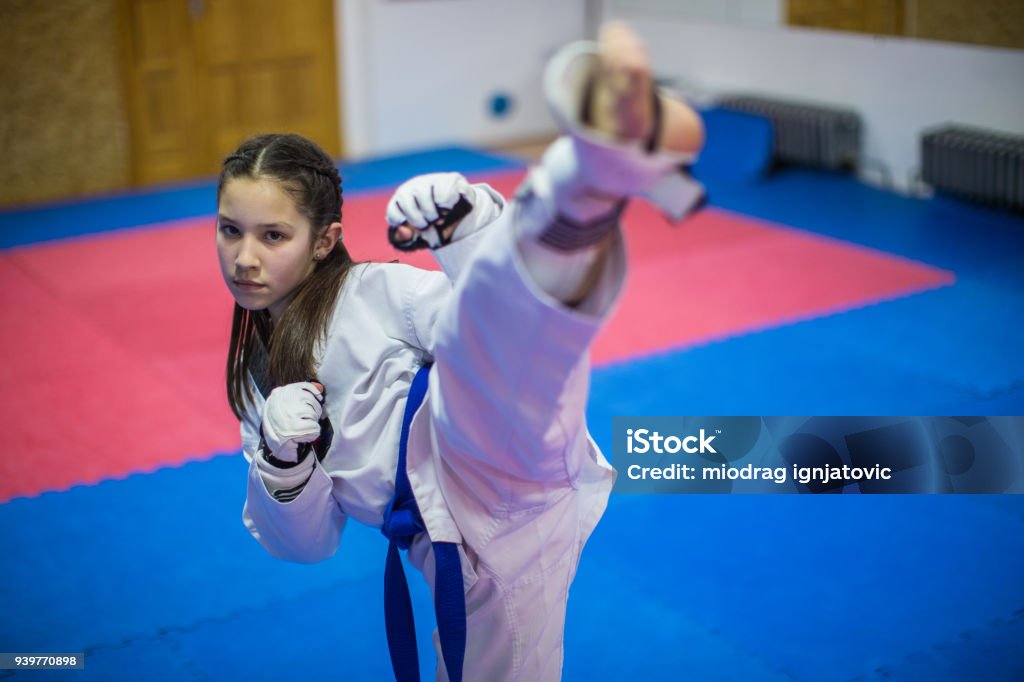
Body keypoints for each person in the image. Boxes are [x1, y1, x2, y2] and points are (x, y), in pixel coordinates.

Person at [217, 22, 705, 682]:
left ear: (325, 239)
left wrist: (472, 233)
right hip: (460, 543)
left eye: (272, 235)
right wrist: (281, 464)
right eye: (230, 231)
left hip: (488, 461)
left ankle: (579, 186)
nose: (245, 257)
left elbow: (486, 328)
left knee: (489, 358)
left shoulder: (375, 292)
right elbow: (308, 545)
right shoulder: (256, 386)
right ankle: (581, 192)